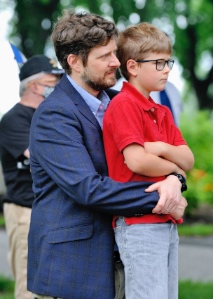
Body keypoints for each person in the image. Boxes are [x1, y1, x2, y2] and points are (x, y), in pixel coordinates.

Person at [27, 10, 187, 299]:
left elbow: (170, 161)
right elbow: (87, 189)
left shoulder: (123, 102)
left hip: (122, 255)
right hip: (74, 269)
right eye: (105, 56)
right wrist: (162, 197)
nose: (116, 62)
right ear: (74, 62)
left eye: (114, 52)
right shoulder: (53, 115)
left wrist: (176, 180)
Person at [103, 22, 194, 299]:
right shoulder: (123, 104)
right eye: (159, 63)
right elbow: (138, 162)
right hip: (138, 222)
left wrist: (160, 146)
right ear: (132, 67)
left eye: (169, 62)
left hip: (165, 221)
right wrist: (174, 168)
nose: (167, 69)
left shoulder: (162, 110)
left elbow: (188, 160)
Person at [0, 54, 64, 299]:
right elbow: (42, 158)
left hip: (49, 209)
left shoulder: (50, 117)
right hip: (25, 211)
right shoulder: (14, 119)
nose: (59, 86)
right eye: (53, 81)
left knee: (51, 286)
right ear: (34, 85)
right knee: (29, 286)